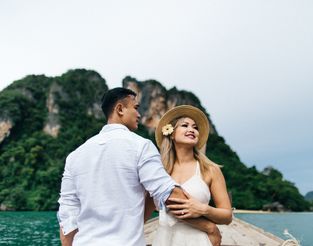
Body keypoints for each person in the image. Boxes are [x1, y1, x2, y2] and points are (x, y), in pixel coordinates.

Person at [57, 88, 221, 246]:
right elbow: (170, 195)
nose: (139, 114)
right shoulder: (140, 146)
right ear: (120, 109)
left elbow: (67, 215)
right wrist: (209, 227)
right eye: (135, 108)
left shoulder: (74, 156)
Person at [145, 105, 232, 246]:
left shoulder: (210, 169)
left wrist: (203, 209)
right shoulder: (159, 171)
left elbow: (227, 216)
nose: (192, 130)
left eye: (195, 127)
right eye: (185, 125)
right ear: (171, 133)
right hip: (164, 240)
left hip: (199, 241)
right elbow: (144, 211)